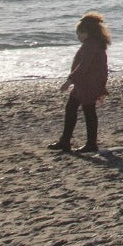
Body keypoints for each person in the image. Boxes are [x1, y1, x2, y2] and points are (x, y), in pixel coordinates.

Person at [50, 12, 110, 154]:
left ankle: (90, 143)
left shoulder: (91, 45)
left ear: (86, 32)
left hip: (89, 82)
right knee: (72, 108)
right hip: (86, 82)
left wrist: (70, 80)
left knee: (88, 111)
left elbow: (84, 65)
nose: (78, 37)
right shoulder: (95, 43)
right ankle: (65, 140)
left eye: (79, 34)